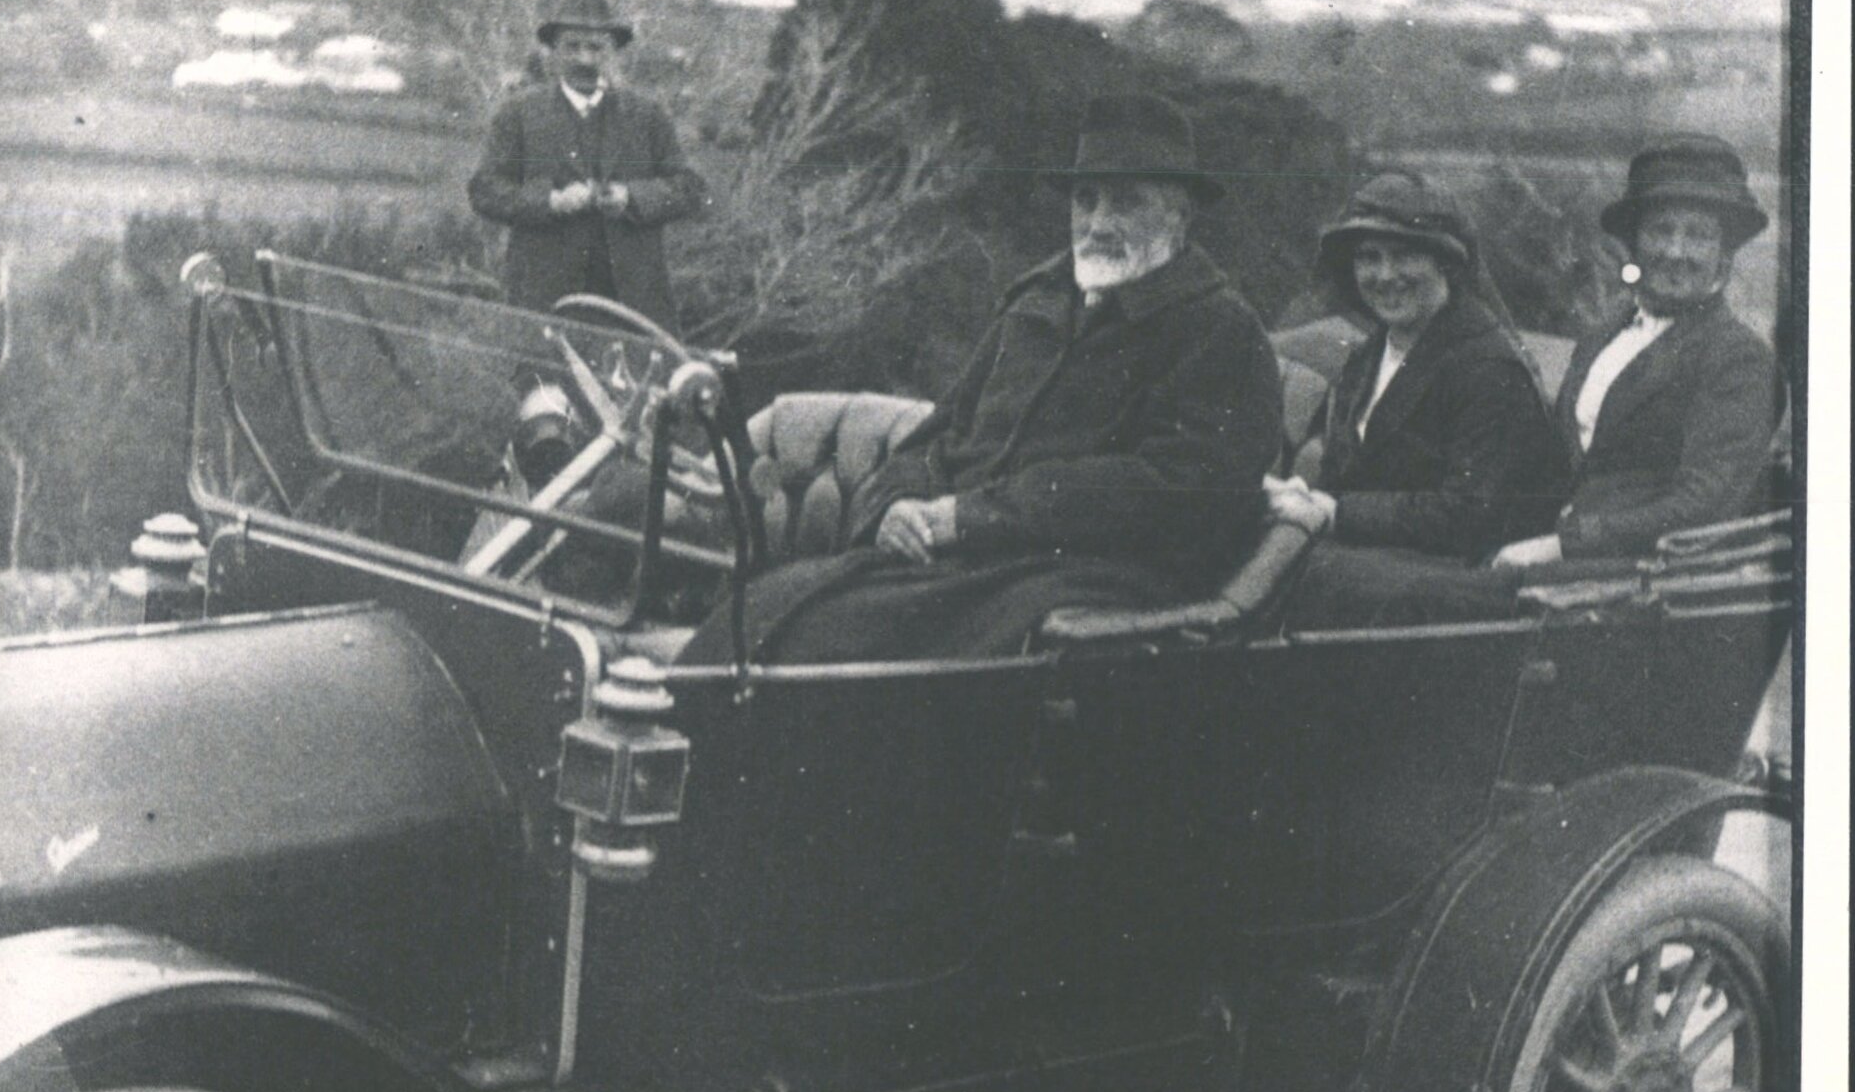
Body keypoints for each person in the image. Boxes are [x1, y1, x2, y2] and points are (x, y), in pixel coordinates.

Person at [690, 92, 1284, 665]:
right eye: (1086, 198)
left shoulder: (1220, 332)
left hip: (1086, 581)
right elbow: (939, 436)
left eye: (1124, 202)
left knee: (828, 646)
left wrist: (967, 519)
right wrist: (895, 507)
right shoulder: (1038, 303)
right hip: (963, 561)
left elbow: (1181, 491)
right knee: (761, 609)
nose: (1098, 222)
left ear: (1179, 214)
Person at [1492, 136, 1780, 574]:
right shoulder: (1603, 337)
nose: (1676, 252)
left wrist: (1561, 546)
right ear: (1634, 243)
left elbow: (1701, 506)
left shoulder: (1738, 357)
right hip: (1560, 556)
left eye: (1698, 236)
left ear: (1723, 256)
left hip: (1647, 576)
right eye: (1661, 230)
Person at [1263, 170, 1568, 562]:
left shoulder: (1487, 368)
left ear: (1446, 264)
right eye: (1369, 258)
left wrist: (1336, 512)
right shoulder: (1366, 358)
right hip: (1376, 560)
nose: (1386, 275)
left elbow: (1470, 517)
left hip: (1458, 579)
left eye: (1405, 256)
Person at [468, 0, 708, 333]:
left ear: (613, 51)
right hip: (544, 301)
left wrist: (632, 197)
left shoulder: (647, 115)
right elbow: (484, 190)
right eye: (572, 47)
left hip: (633, 305)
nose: (584, 59)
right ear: (552, 51)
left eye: (596, 47)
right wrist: (550, 201)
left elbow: (690, 188)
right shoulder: (518, 114)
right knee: (546, 386)